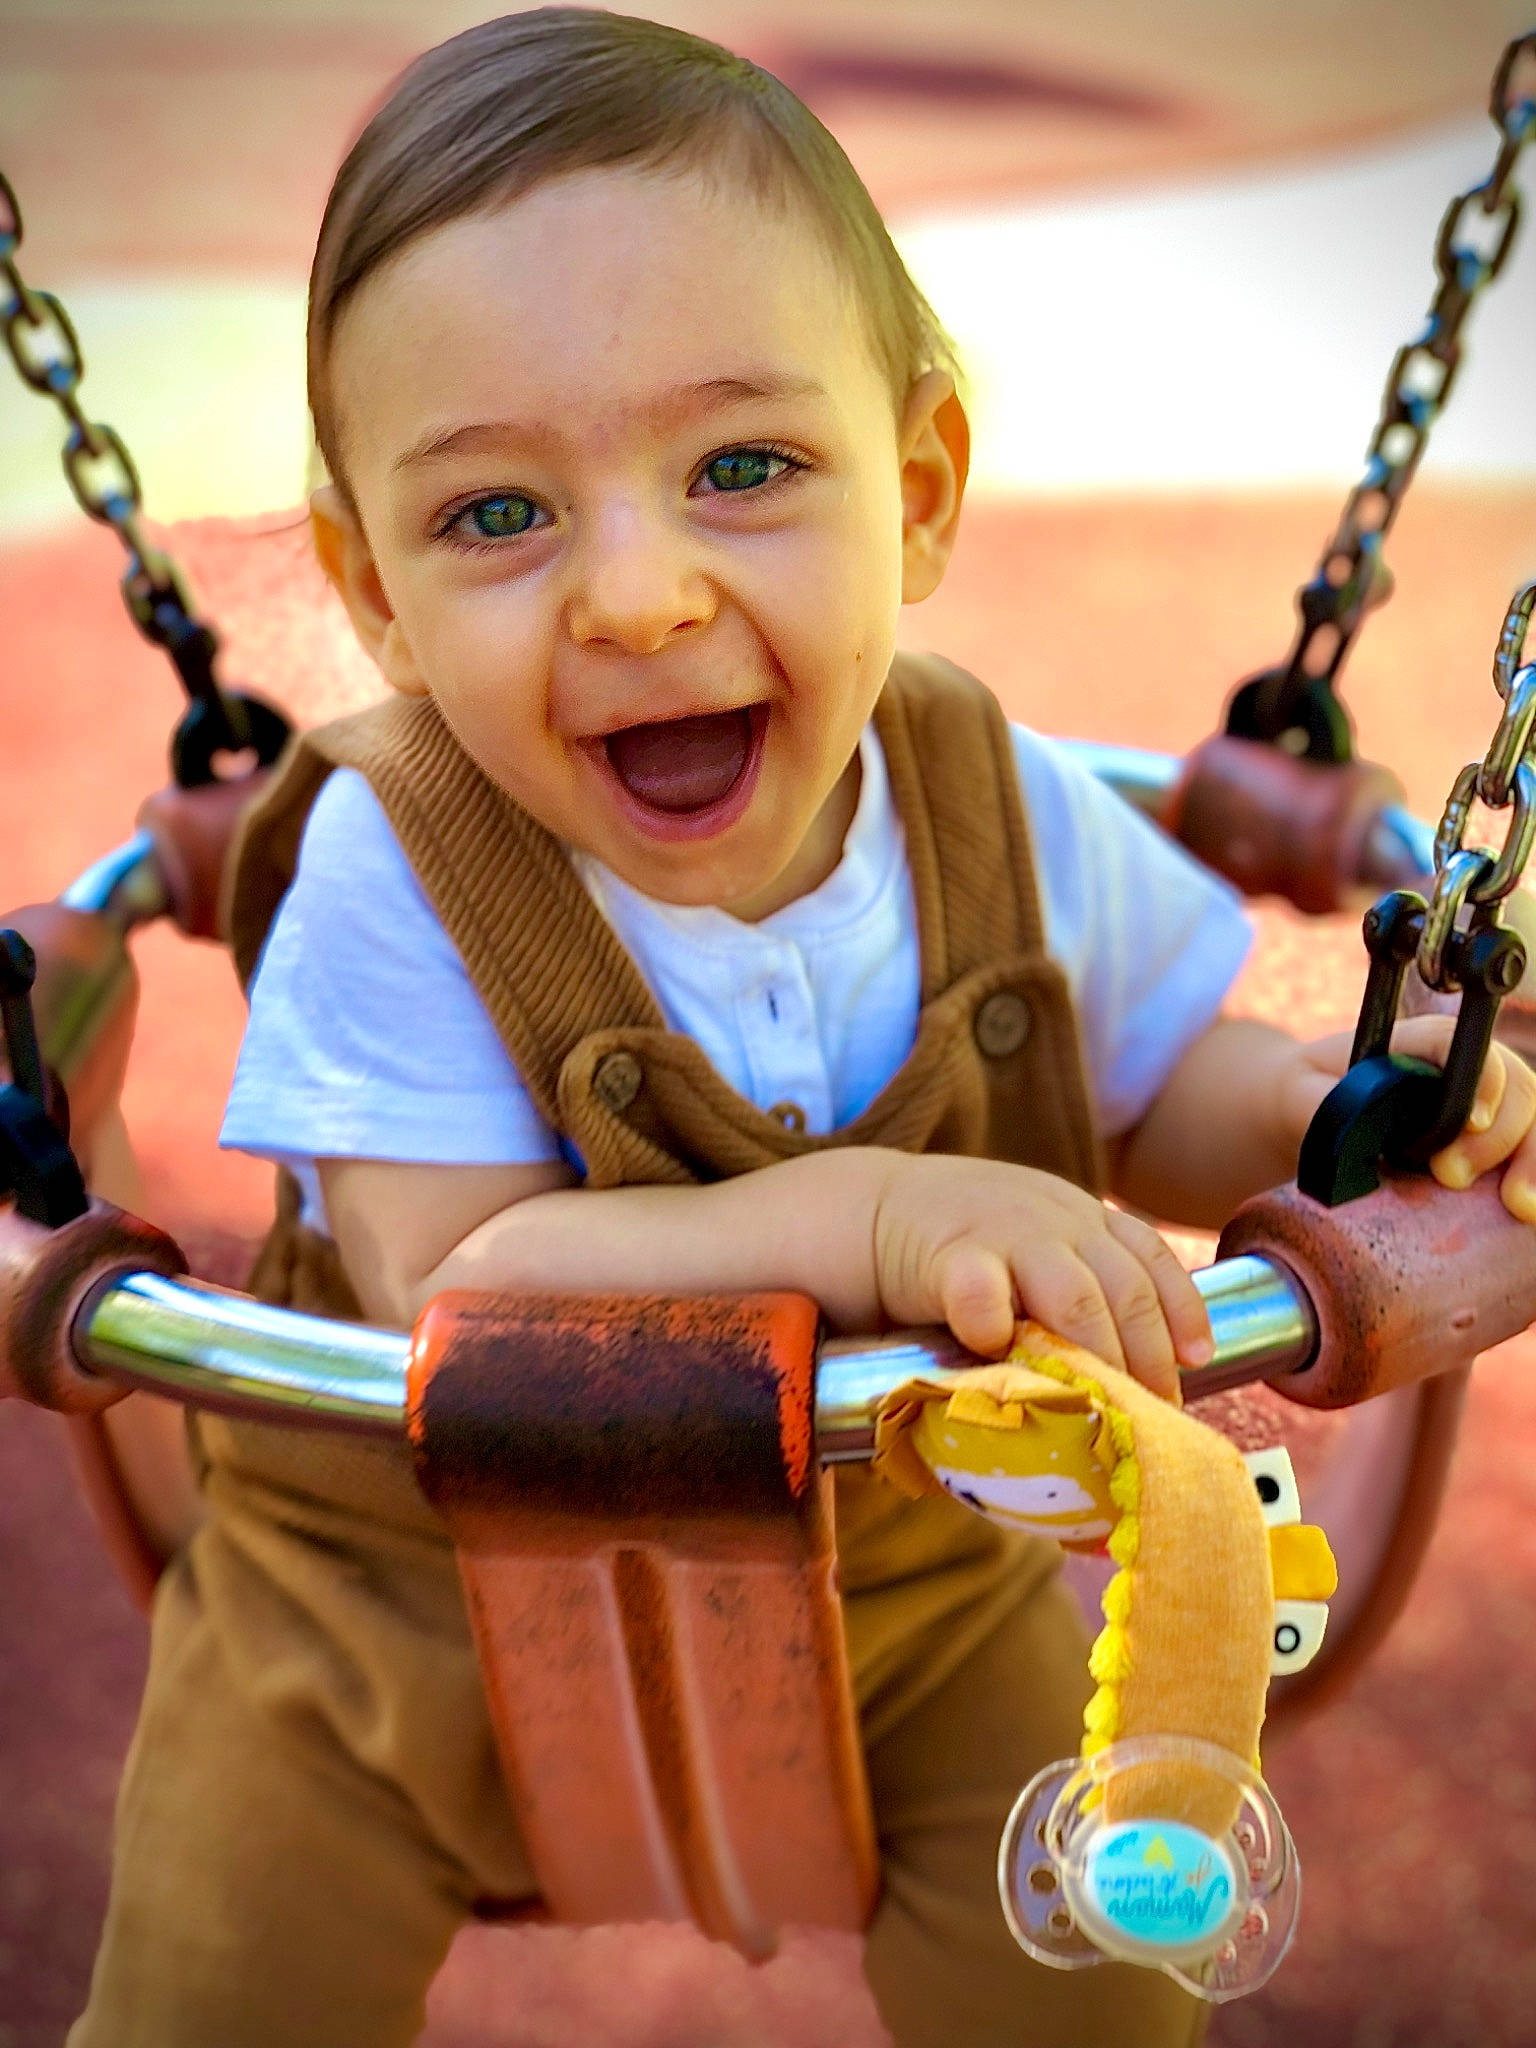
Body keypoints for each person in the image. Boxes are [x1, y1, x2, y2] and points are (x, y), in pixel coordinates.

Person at [69, 11, 1536, 2047]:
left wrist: (1354, 1120)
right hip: (382, 1623)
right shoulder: (392, 866)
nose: (643, 594)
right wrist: (871, 1214)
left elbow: (1168, 1088)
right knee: (215, 1989)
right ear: (374, 588)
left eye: (742, 467)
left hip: (919, 1587)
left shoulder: (982, 800)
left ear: (919, 489)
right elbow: (458, 1280)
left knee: (1097, 1961)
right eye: (497, 514)